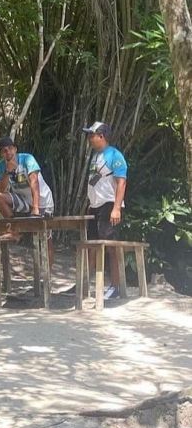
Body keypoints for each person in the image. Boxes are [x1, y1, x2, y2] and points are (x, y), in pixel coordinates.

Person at [0, 135, 55, 266]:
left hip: (42, 200)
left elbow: (34, 182)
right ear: (1, 154)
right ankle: (13, 230)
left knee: (46, 237)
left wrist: (36, 208)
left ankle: (47, 276)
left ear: (15, 149)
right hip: (23, 201)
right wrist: (7, 173)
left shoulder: (27, 159)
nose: (8, 152)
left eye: (10, 148)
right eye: (4, 150)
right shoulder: (0, 166)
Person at [84, 121, 128, 300]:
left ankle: (115, 286)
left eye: (91, 135)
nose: (89, 139)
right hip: (95, 205)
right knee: (92, 245)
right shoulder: (95, 156)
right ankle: (85, 283)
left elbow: (121, 182)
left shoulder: (115, 155)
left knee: (110, 245)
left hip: (109, 204)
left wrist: (116, 208)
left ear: (101, 136)